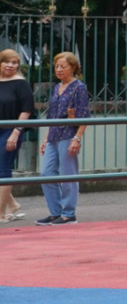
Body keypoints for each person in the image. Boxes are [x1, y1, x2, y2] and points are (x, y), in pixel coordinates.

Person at [37, 52, 88, 225]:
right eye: (56, 66)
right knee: (46, 173)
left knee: (68, 174)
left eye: (63, 67)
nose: (59, 70)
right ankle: (55, 211)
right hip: (53, 135)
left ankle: (68, 213)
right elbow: (52, 115)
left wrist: (77, 138)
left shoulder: (78, 87)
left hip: (68, 134)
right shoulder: (56, 87)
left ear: (73, 68)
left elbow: (84, 116)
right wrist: (46, 138)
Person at [0, 48, 34, 222]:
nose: (10, 65)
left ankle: (1, 213)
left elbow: (27, 110)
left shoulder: (21, 84)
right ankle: (13, 204)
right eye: (7, 62)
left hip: (11, 130)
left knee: (3, 168)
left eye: (14, 63)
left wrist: (15, 132)